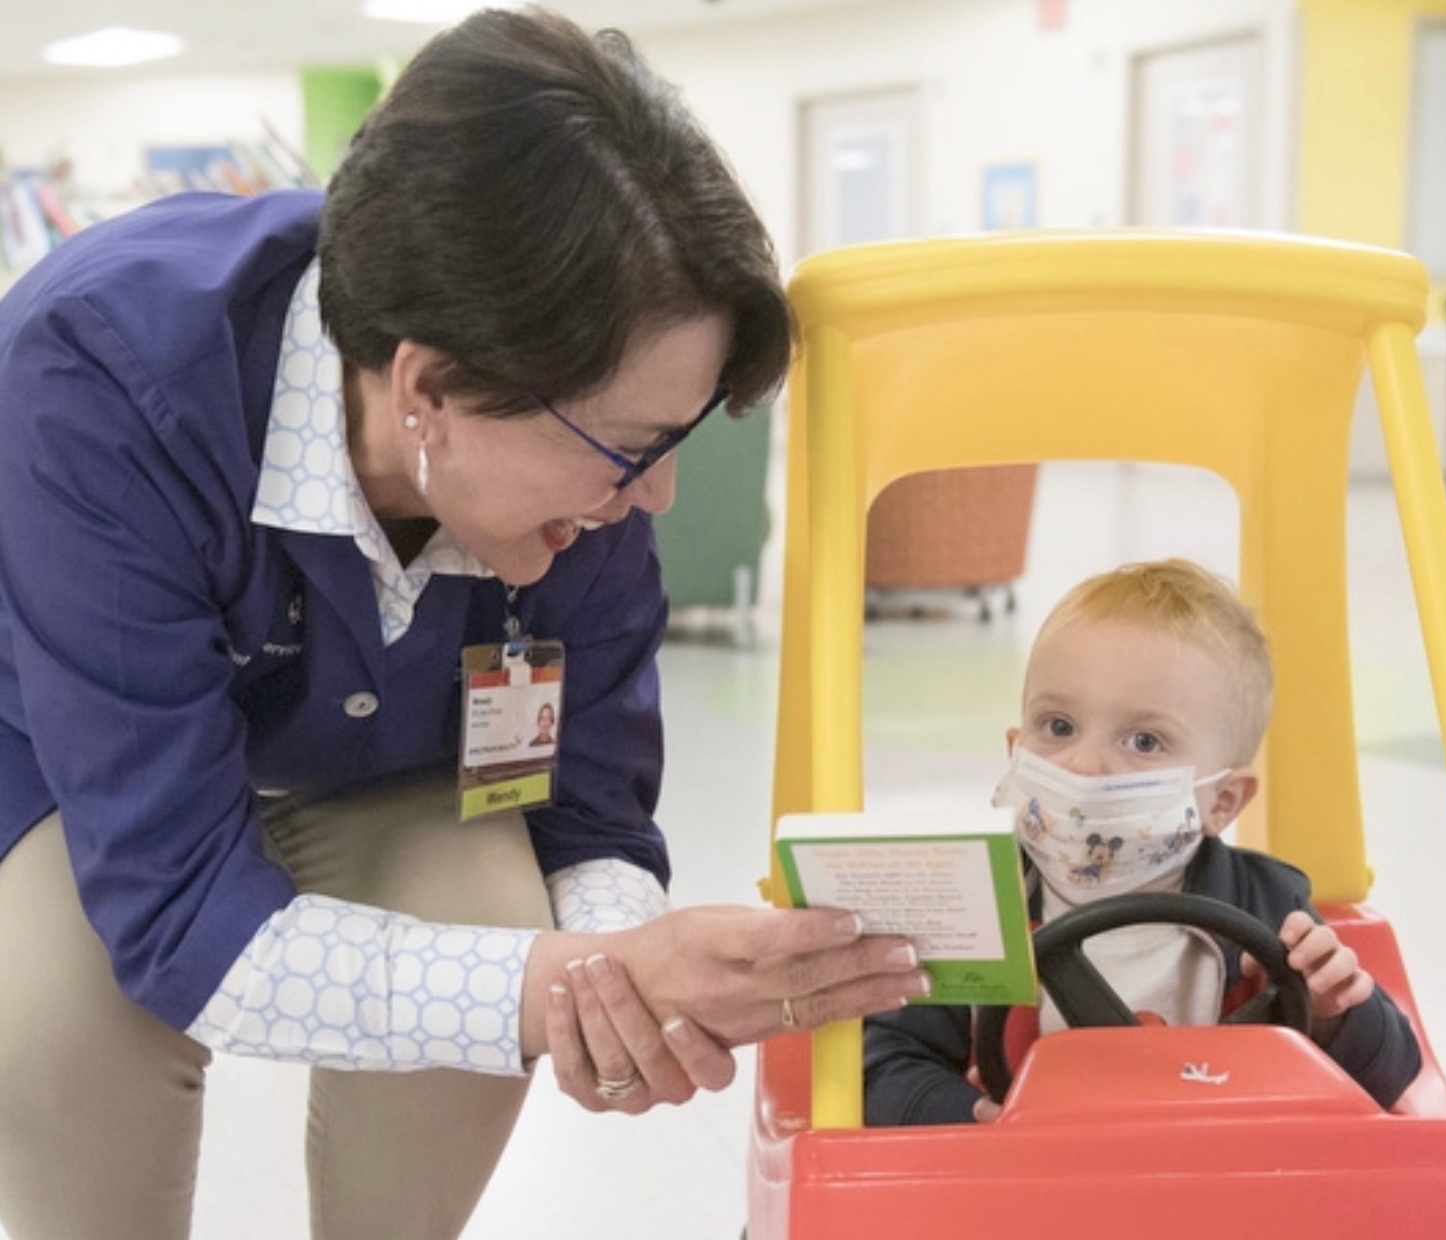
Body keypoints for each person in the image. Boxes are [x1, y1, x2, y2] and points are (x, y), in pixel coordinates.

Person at [0, 10, 931, 1239]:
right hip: (85, 770)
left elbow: (588, 809)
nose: (650, 497)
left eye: (674, 443)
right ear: (428, 385)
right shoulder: (100, 377)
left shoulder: (587, 485)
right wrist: (550, 991)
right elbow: (177, 913)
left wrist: (615, 981)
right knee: (68, 1022)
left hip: (384, 763)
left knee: (492, 938)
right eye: (625, 448)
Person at [863, 558, 1422, 1126]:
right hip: (1025, 1195)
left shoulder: (1268, 909)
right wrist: (978, 1120)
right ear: (1015, 749)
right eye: (1058, 727)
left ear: (1222, 801)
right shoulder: (975, 907)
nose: (1082, 764)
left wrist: (1331, 1014)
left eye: (1144, 741)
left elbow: (1389, 1079)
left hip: (1213, 1189)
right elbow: (884, 1063)